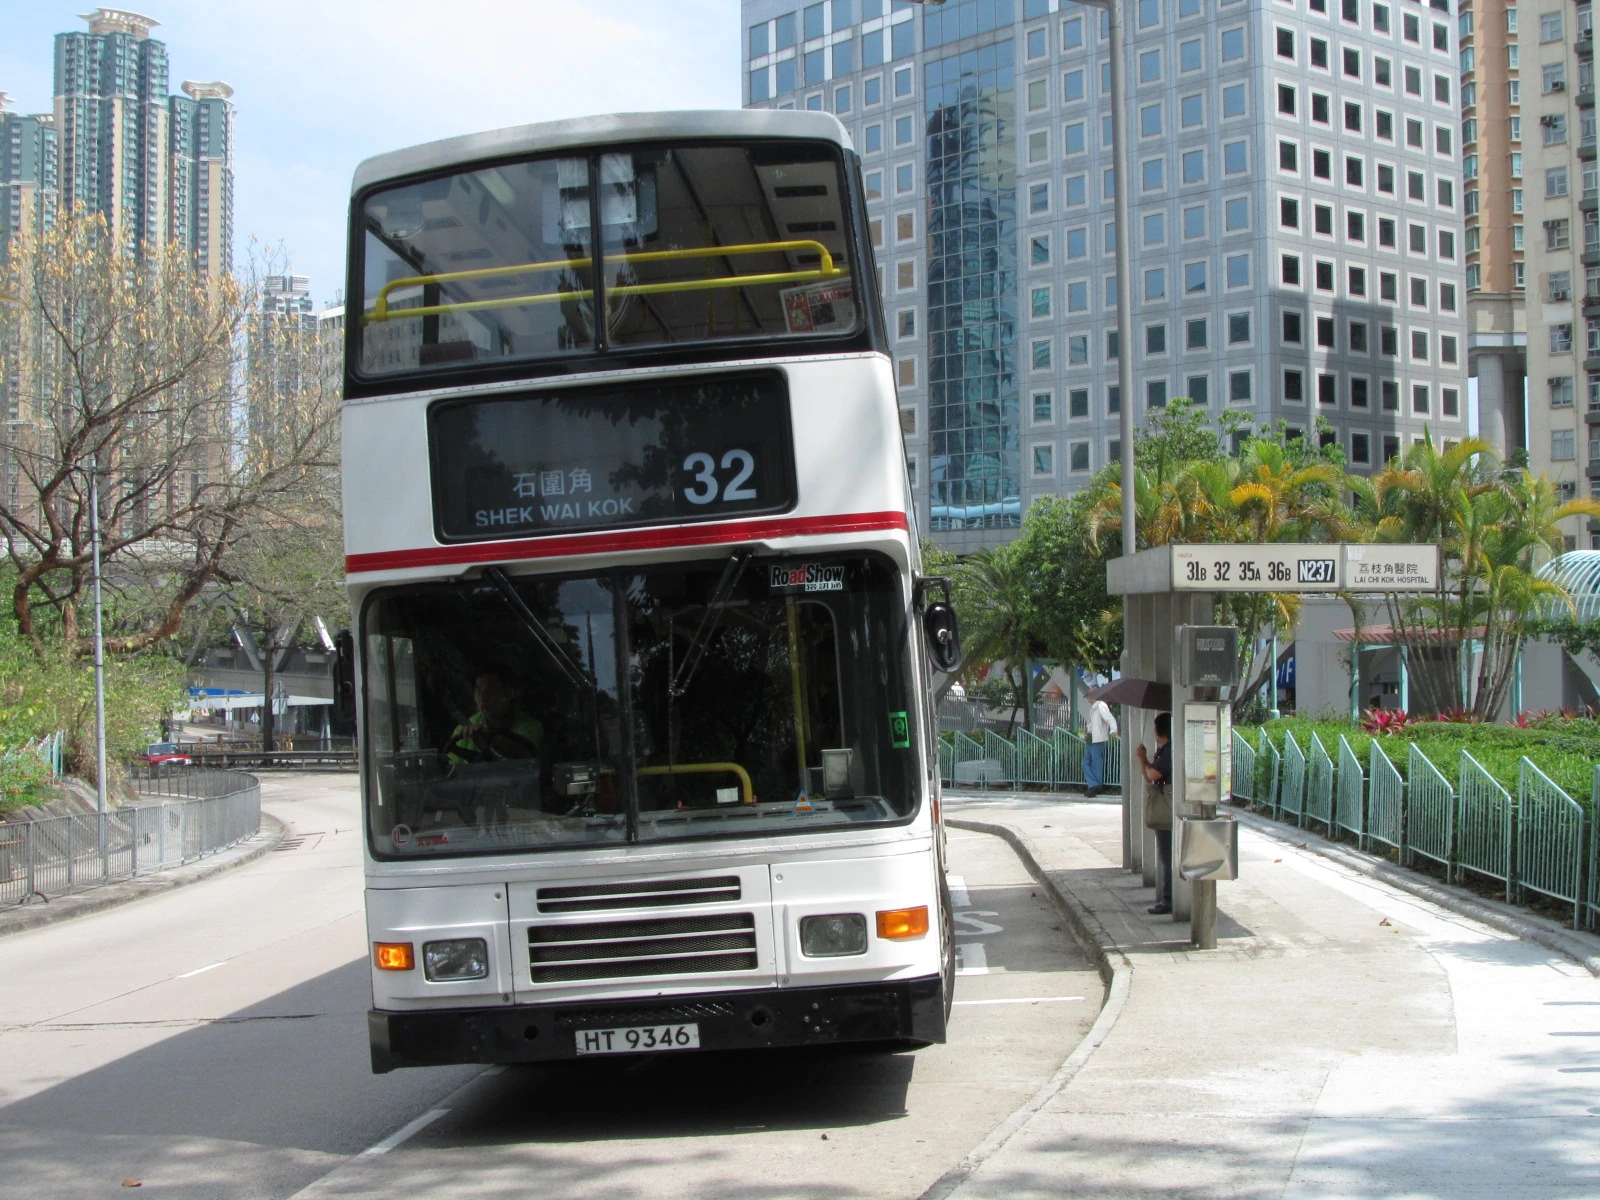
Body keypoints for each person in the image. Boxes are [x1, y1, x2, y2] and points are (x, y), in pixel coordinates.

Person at [448, 669, 543, 764]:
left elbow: (525, 755)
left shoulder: (530, 726)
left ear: (509, 693)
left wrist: (487, 739)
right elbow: (451, 769)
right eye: (479, 691)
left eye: (490, 691)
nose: (483, 698)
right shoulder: (464, 730)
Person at [1134, 711, 1173, 915]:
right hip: (1167, 807)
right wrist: (1145, 760)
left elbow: (1152, 775)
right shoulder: (1164, 750)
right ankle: (1169, 897)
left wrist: (1143, 760)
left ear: (1159, 730)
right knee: (1167, 855)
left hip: (1166, 809)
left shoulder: (1168, 752)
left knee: (1167, 857)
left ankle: (1169, 899)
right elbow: (1150, 776)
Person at [1083, 697, 1118, 797]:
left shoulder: (1100, 706)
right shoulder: (1094, 708)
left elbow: (1110, 718)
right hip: (1091, 738)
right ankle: (1095, 785)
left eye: (1088, 696)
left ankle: (1095, 786)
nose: (1087, 699)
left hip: (1097, 739)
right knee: (1086, 762)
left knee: (1095, 763)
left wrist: (1113, 730)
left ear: (1093, 697)